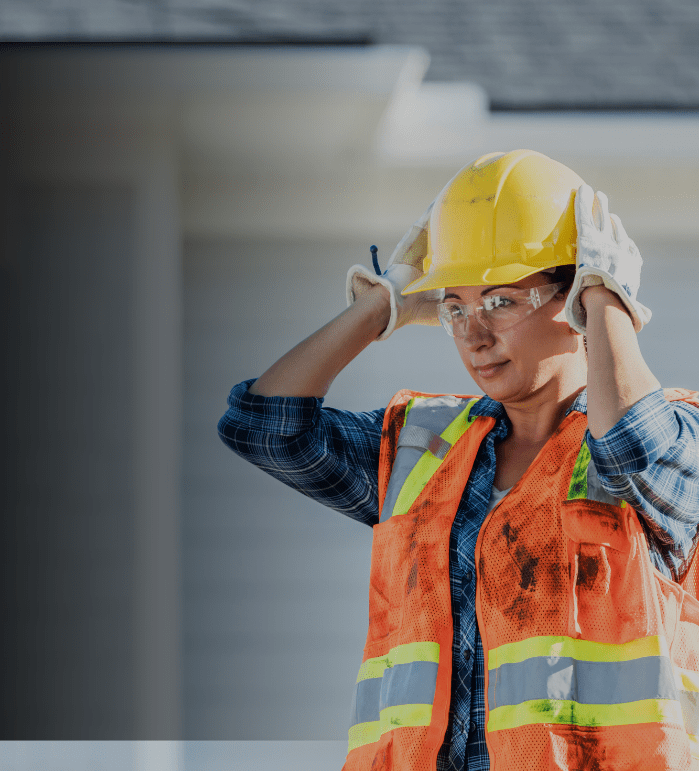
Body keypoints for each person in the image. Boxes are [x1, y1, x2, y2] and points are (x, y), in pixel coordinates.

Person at [218, 149, 699, 770]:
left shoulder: (679, 437)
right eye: (455, 307)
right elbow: (262, 427)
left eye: (501, 300)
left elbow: (630, 445)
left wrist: (608, 300)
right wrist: (380, 306)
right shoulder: (425, 447)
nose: (474, 335)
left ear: (573, 297)